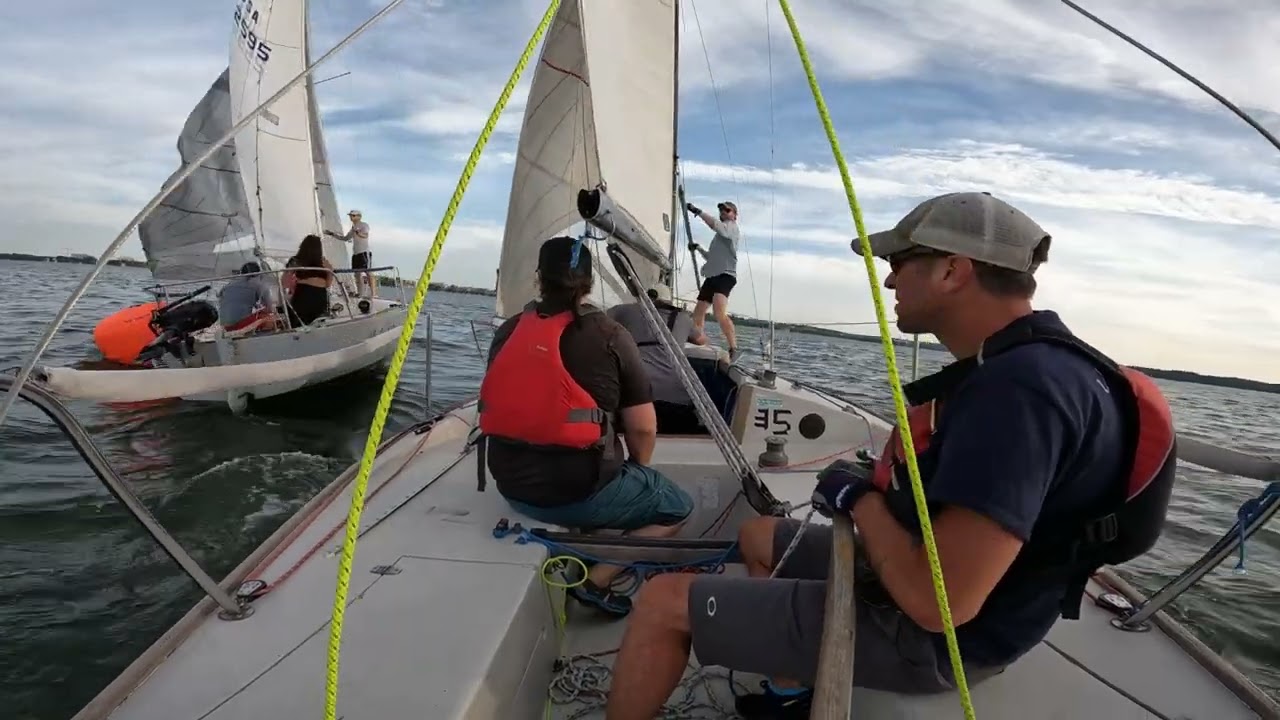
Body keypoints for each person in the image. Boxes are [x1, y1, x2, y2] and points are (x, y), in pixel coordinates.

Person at [604, 192, 1177, 719]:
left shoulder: (1019, 391)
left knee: (661, 604)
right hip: (945, 584)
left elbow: (938, 604)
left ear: (954, 270)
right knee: (759, 535)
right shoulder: (1041, 366)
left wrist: (860, 500)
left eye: (901, 262)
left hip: (941, 640)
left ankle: (776, 653)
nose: (889, 278)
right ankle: (787, 692)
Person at [478, 236, 695, 617]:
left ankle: (582, 544)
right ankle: (596, 581)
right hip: (579, 494)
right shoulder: (611, 336)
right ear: (589, 283)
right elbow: (643, 429)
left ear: (538, 279)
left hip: (510, 487)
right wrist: (640, 471)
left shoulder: (509, 331)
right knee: (676, 508)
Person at [606, 285, 708, 434]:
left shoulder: (625, 311)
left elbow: (600, 321)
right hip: (678, 401)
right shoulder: (683, 318)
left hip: (638, 398)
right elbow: (702, 340)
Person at [685, 200, 740, 362]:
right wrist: (698, 248)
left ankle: (733, 348)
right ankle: (697, 340)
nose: (724, 212)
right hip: (712, 276)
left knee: (718, 312)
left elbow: (715, 225)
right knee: (699, 311)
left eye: (727, 210)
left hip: (725, 275)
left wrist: (698, 211)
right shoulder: (719, 238)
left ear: (735, 215)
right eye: (722, 210)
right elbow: (711, 257)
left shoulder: (731, 228)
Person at [217, 261, 277, 333]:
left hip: (224, 325)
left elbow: (220, 297)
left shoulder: (228, 285)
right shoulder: (257, 284)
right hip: (240, 326)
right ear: (258, 274)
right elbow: (270, 308)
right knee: (268, 316)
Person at [326, 209, 373, 298]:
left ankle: (373, 294)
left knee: (368, 272)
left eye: (354, 215)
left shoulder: (364, 225)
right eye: (351, 215)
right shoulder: (353, 227)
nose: (351, 217)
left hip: (364, 252)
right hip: (355, 253)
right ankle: (360, 293)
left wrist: (358, 233)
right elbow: (345, 238)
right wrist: (332, 234)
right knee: (356, 273)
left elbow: (365, 235)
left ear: (359, 216)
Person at [289, 234, 334, 325]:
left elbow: (285, 281)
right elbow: (328, 283)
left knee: (299, 323)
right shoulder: (323, 262)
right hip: (319, 296)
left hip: (302, 295)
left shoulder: (296, 261)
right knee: (317, 323)